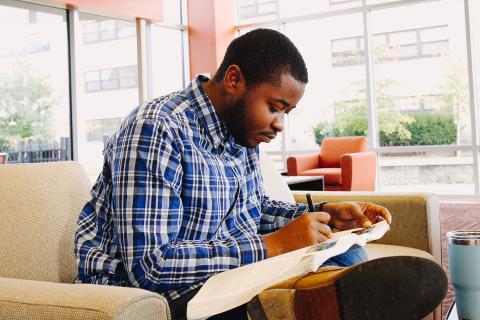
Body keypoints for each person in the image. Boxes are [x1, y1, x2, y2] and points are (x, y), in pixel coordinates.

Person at [75, 29, 446, 320]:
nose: (280, 125)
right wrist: (275, 245)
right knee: (339, 278)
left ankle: (296, 303)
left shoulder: (241, 132)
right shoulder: (156, 129)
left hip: (225, 279)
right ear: (234, 80)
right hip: (163, 294)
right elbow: (150, 265)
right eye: (275, 107)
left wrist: (323, 216)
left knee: (347, 256)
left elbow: (253, 208)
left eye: (287, 112)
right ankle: (293, 304)